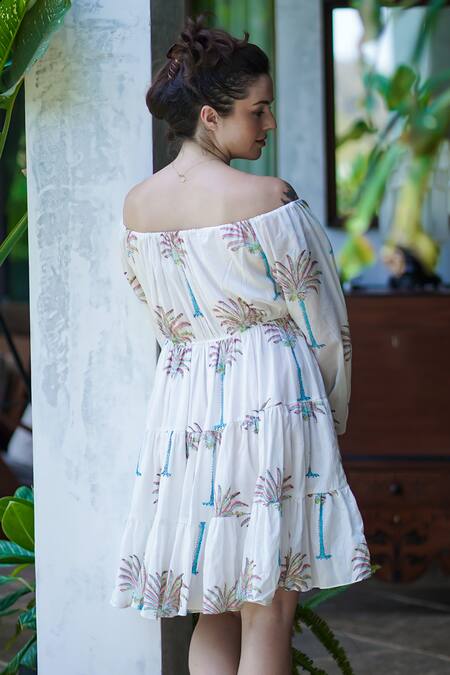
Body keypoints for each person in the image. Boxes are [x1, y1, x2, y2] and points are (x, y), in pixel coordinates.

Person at [109, 13, 372, 675]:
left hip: (187, 403)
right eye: (258, 110)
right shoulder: (268, 199)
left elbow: (155, 314)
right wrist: (330, 412)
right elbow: (324, 323)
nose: (269, 123)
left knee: (216, 602)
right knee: (269, 605)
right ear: (209, 116)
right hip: (270, 394)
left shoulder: (137, 207)